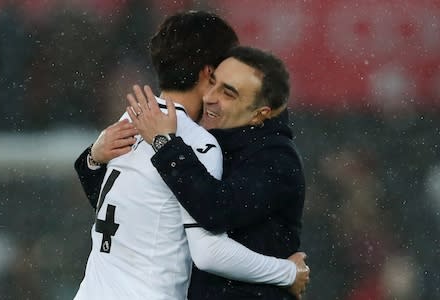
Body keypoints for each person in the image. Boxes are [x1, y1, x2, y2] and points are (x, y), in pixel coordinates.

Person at [74, 11, 308, 300]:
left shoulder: (131, 120)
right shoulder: (196, 144)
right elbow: (208, 251)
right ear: (209, 73)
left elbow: (126, 205)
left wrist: (91, 160)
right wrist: (287, 273)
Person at [124, 46, 307, 300]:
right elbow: (134, 206)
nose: (209, 97)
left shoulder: (276, 160)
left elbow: (215, 209)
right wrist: (93, 160)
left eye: (228, 93)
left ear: (259, 114)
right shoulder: (210, 142)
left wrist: (164, 145)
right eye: (212, 83)